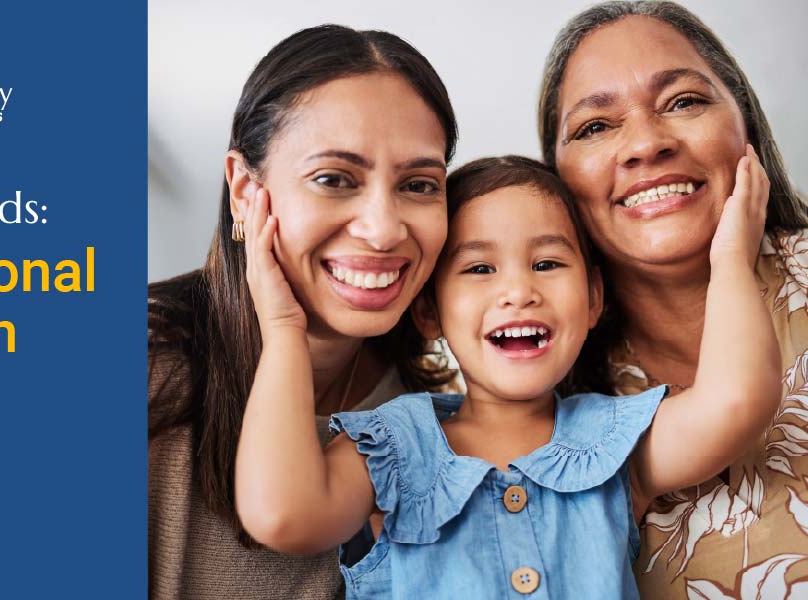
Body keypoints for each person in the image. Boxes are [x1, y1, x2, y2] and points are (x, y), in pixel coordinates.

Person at [235, 155, 780, 598]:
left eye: (547, 264)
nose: (519, 290)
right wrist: (283, 330)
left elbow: (735, 404)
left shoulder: (610, 440)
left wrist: (730, 257)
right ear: (428, 314)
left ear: (594, 298)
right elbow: (283, 515)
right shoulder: (394, 445)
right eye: (479, 269)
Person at [147, 25, 459, 599]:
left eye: (419, 185)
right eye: (334, 179)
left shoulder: (427, 418)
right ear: (244, 190)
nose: (384, 229)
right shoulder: (146, 369)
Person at [537, 2, 808, 596]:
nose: (645, 145)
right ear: (557, 183)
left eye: (683, 102)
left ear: (746, 125)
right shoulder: (542, 397)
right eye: (595, 126)